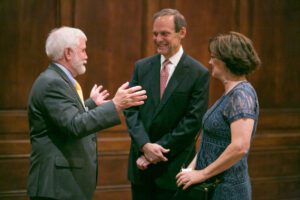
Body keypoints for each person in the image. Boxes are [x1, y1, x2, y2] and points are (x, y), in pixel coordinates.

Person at [27, 26, 147, 200]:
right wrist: (115, 105)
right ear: (68, 53)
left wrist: (90, 104)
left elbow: (65, 118)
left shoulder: (57, 79)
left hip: (62, 186)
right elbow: (74, 125)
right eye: (83, 50)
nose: (86, 56)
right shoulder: (52, 83)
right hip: (56, 187)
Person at [124, 8, 210, 200]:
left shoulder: (198, 73)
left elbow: (192, 122)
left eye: (164, 33)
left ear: (182, 33)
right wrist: (145, 145)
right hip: (141, 170)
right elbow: (131, 111)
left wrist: (153, 153)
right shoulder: (142, 67)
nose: (158, 39)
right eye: (155, 34)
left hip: (173, 168)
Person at [176, 31, 261, 200]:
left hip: (228, 189)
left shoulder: (241, 94)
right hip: (213, 186)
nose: (209, 61)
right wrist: (192, 168)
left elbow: (240, 146)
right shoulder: (230, 93)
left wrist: (202, 174)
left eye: (213, 56)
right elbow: (210, 141)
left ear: (227, 59)